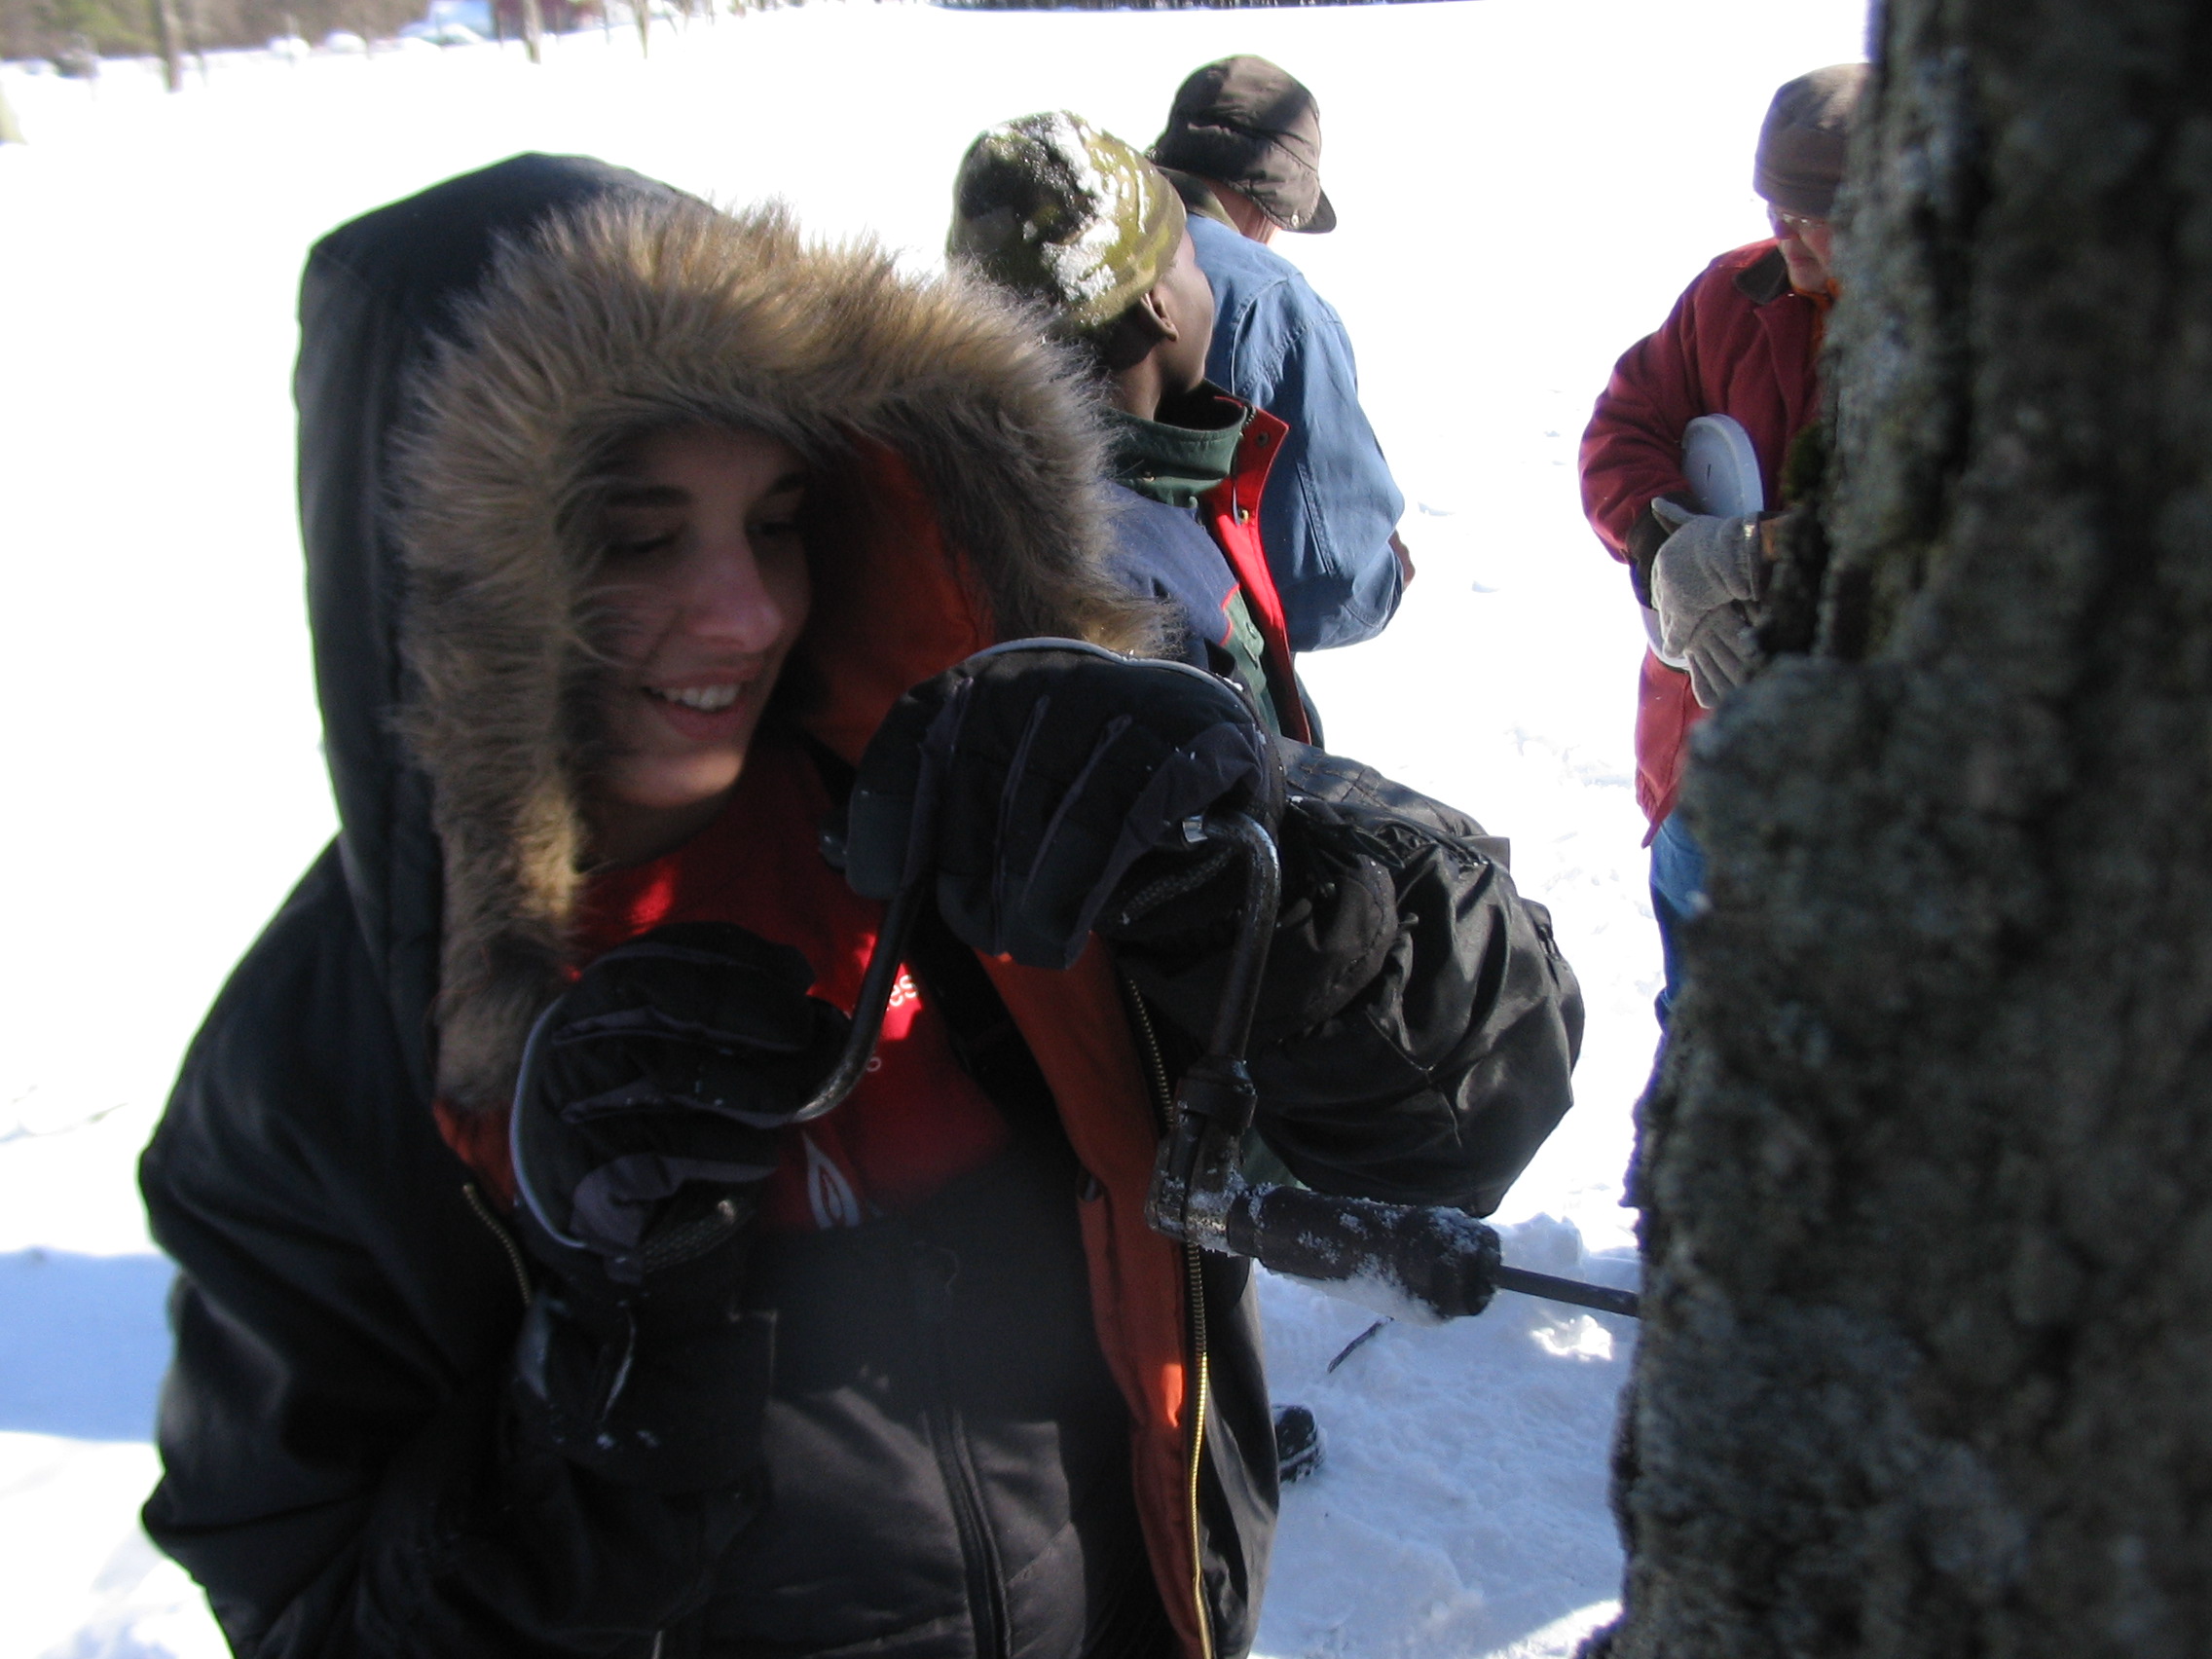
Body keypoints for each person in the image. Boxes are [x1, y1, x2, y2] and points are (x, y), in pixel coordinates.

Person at [137, 152, 1584, 1659]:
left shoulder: (970, 780)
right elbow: (320, 1615)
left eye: (774, 520)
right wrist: (612, 1367)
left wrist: (1264, 904)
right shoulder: (309, 1087)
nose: (751, 611)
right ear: (449, 582)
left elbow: (1481, 1104)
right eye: (639, 538)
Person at [1577, 62, 1868, 1024]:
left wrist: (1771, 558)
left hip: (1850, 801)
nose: (1783, 230)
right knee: (1698, 1045)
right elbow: (1620, 433)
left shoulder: (1943, 340)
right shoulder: (1730, 295)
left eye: (1813, 210)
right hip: (1697, 764)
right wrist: (1670, 548)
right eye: (1773, 201)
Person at [947, 111, 1309, 747]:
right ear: (1156, 303)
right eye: (1192, 262)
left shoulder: (999, 490)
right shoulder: (1121, 568)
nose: (1208, 288)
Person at [1148, 55, 1410, 655]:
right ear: (1272, 199)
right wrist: (1389, 572)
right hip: (1187, 687)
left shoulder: (1068, 241)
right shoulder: (1271, 303)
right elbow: (1326, 586)